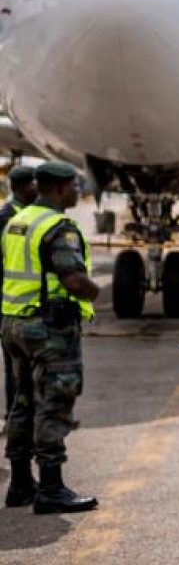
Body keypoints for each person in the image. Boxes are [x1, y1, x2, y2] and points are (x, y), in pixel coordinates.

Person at [2, 161, 99, 514]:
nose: (78, 191)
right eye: (74, 186)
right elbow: (73, 279)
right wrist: (94, 292)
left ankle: (20, 483)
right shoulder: (58, 227)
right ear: (59, 189)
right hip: (48, 329)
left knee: (22, 403)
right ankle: (52, 487)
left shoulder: (17, 221)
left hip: (14, 323)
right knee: (54, 404)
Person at [1, 163, 37, 432]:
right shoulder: (6, 219)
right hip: (11, 306)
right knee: (15, 370)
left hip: (27, 306)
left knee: (28, 370)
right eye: (33, 184)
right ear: (20, 188)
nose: (37, 188)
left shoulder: (27, 216)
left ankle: (26, 420)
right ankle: (15, 421)